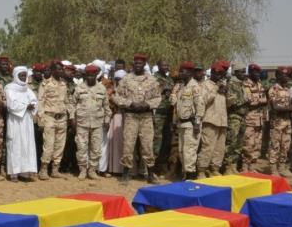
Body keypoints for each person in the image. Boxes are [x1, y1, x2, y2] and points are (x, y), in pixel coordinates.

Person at [115, 53, 163, 183]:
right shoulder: (126, 79)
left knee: (147, 146)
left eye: (140, 63)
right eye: (136, 63)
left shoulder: (151, 80)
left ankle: (150, 174)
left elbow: (158, 97)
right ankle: (126, 174)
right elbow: (117, 96)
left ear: (144, 64)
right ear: (133, 64)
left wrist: (147, 104)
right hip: (131, 116)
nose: (138, 65)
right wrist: (130, 103)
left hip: (146, 117)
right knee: (128, 145)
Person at [70, 63, 110, 180]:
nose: (90, 77)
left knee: (96, 148)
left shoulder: (102, 88)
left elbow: (106, 106)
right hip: (82, 122)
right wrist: (72, 118)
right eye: (88, 75)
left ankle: (92, 170)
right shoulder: (79, 88)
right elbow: (72, 104)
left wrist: (107, 120)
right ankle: (83, 170)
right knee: (81, 147)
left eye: (93, 75)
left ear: (96, 75)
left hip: (97, 123)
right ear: (85, 76)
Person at [169, 62, 205, 180]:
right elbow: (174, 105)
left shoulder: (195, 87)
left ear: (189, 73)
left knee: (189, 152)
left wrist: (197, 123)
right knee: (181, 152)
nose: (180, 73)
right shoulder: (180, 86)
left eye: (182, 71)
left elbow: (200, 106)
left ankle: (191, 177)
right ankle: (186, 175)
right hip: (181, 123)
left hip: (191, 124)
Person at [36, 60, 70, 180]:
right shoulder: (45, 84)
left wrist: (70, 115)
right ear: (52, 70)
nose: (61, 71)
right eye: (58, 69)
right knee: (49, 146)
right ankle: (43, 170)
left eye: (62, 69)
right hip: (49, 117)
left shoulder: (63, 84)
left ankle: (55, 169)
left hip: (62, 118)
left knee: (60, 145)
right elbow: (40, 102)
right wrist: (40, 120)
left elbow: (66, 101)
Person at [4, 66, 38, 181]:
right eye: (21, 75)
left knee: (27, 145)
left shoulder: (27, 89)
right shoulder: (9, 88)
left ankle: (25, 172)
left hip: (27, 121)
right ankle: (14, 173)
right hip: (15, 121)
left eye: (25, 75)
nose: (23, 77)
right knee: (15, 145)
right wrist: (25, 106)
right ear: (15, 75)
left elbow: (34, 101)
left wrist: (32, 106)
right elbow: (11, 105)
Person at [197, 61, 229, 177]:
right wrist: (216, 90)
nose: (220, 76)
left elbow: (228, 104)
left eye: (222, 74)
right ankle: (201, 170)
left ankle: (214, 168)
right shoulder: (205, 85)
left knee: (219, 148)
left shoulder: (223, 85)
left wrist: (227, 92)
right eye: (218, 73)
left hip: (222, 120)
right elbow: (203, 100)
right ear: (212, 73)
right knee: (208, 147)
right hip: (210, 120)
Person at [267, 66, 292, 176]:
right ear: (278, 76)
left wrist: (289, 108)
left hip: (287, 122)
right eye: (284, 75)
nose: (287, 77)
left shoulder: (287, 89)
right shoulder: (274, 89)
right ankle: (273, 169)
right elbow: (275, 107)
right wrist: (291, 108)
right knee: (275, 145)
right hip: (277, 122)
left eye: (288, 75)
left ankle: (282, 168)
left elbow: (290, 105)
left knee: (285, 145)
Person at [241, 64, 269, 172]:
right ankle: (245, 166)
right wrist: (261, 101)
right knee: (248, 143)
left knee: (257, 144)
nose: (257, 74)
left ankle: (252, 165)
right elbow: (248, 101)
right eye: (255, 72)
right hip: (250, 118)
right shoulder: (246, 84)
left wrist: (260, 102)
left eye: (258, 72)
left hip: (260, 119)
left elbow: (265, 100)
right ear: (250, 72)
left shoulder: (260, 84)